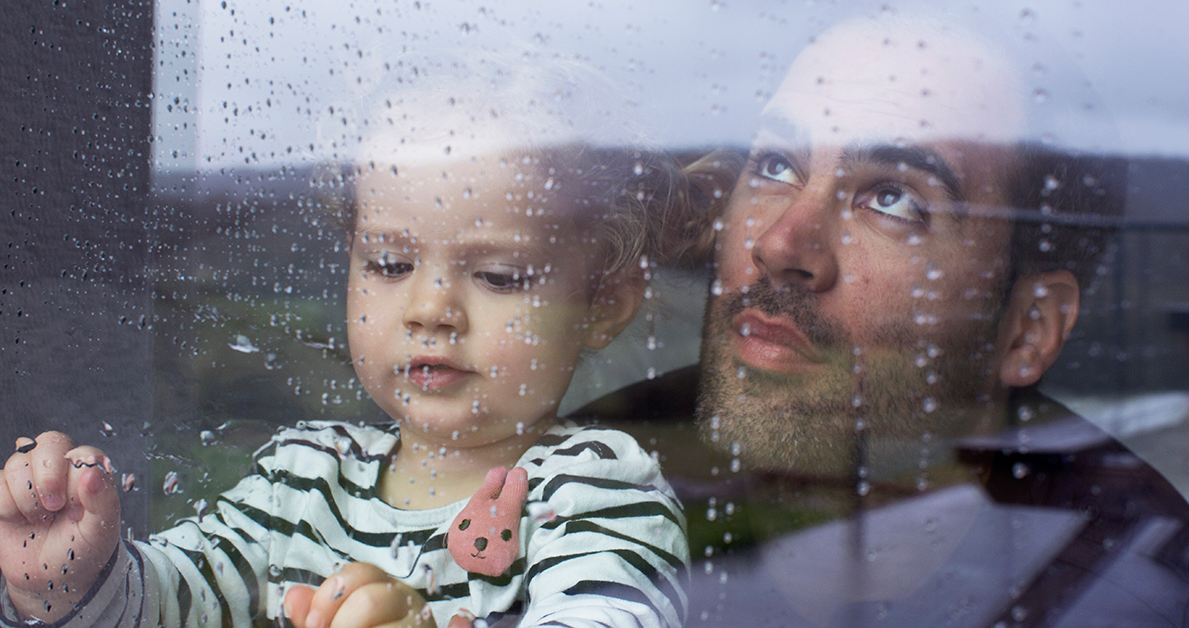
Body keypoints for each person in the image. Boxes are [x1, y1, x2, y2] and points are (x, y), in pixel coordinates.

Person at [0, 54, 693, 628]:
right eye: (391, 265)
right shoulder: (302, 477)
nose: (430, 309)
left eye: (498, 275)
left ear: (603, 303)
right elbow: (176, 602)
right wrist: (76, 577)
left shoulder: (596, 491)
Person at [579, 12, 1189, 628]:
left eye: (893, 199)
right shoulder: (573, 491)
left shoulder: (1143, 594)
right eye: (774, 165)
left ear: (1028, 328)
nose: (780, 243)